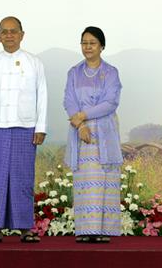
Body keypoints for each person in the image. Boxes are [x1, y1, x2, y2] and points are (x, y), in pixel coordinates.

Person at [0, 16, 47, 243]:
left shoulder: (34, 62)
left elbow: (42, 96)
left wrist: (41, 127)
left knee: (23, 178)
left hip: (26, 127)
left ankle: (25, 227)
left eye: (13, 31)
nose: (9, 35)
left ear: (22, 35)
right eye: (4, 32)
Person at [64, 26, 123, 243]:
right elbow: (68, 100)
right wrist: (80, 125)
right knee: (85, 180)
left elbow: (110, 102)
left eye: (92, 43)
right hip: (81, 132)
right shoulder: (74, 72)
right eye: (84, 43)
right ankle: (85, 229)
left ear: (102, 46)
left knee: (104, 179)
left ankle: (104, 230)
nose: (88, 47)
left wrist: (83, 114)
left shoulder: (111, 72)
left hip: (105, 132)